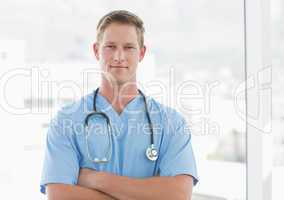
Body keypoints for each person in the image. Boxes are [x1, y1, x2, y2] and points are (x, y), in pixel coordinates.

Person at [40, 10, 198, 200]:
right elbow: (59, 196)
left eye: (129, 47)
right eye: (110, 46)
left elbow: (179, 195)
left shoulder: (171, 123)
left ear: (142, 53)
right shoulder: (66, 121)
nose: (119, 56)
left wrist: (94, 179)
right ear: (96, 50)